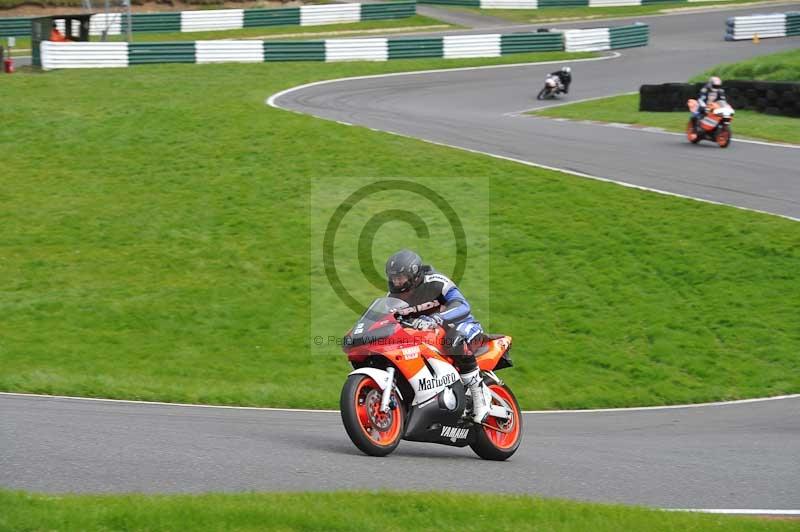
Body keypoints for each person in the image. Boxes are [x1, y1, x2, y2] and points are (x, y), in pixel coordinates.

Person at [385, 249, 490, 423]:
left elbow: (462, 305)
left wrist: (437, 318)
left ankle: (479, 396)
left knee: (453, 339)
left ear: (414, 274)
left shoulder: (436, 282)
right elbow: (389, 321)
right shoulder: (392, 297)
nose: (396, 282)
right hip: (429, 338)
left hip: (461, 326)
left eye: (401, 277)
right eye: (393, 277)